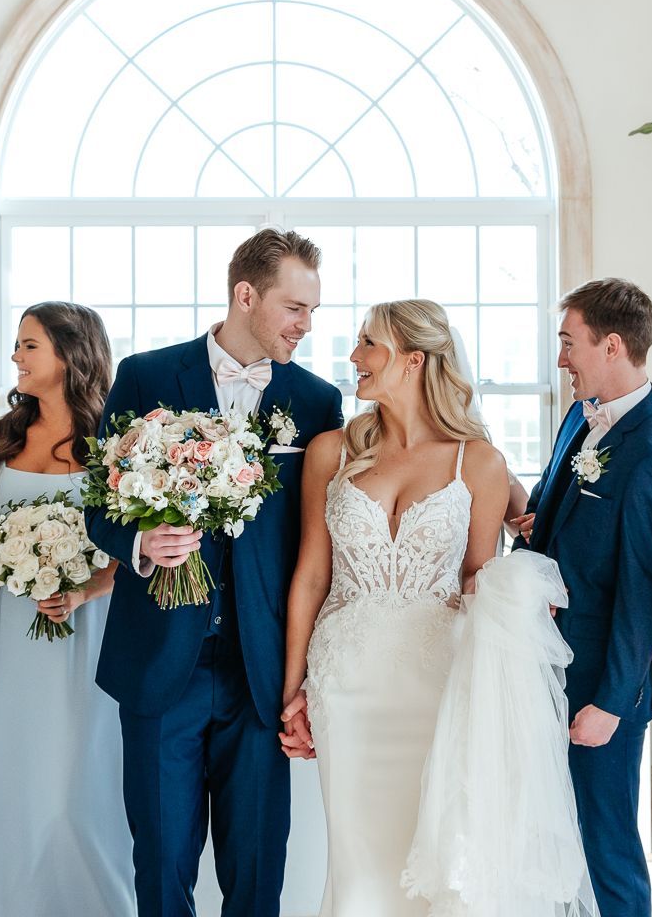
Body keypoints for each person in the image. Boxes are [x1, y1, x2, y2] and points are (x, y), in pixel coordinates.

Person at [86, 228, 344, 917]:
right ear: (245, 294)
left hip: (262, 670)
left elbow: (325, 538)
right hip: (161, 663)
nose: (306, 326)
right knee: (163, 860)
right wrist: (142, 541)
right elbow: (96, 507)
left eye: (313, 312)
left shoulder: (317, 402)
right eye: (295, 308)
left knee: (258, 864)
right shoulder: (145, 376)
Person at [279, 300, 512, 914]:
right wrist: (292, 688)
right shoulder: (331, 451)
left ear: (413, 360)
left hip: (436, 689)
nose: (354, 357)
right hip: (345, 686)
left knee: (433, 866)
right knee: (358, 874)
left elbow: (477, 583)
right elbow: (310, 576)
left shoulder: (479, 463)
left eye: (367, 344)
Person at [521, 278, 652, 917]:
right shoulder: (580, 415)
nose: (561, 358)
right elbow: (553, 508)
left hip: (599, 683)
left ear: (612, 344)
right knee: (556, 840)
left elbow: (643, 596)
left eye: (569, 343)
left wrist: (610, 704)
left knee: (607, 843)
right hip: (548, 662)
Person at [0, 303, 134, 915]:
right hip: (15, 628)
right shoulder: (0, 438)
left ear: (71, 355)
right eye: (17, 345)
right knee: (21, 773)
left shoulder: (112, 444)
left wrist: (86, 590)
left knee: (82, 780)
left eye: (29, 345)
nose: (16, 355)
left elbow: (137, 540)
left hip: (90, 626)